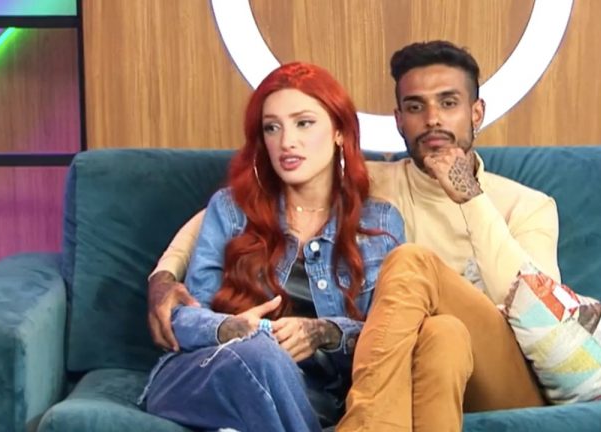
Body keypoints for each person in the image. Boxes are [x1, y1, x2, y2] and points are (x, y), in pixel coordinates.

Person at [148, 41, 561, 431]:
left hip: (504, 369)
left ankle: (367, 423)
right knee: (443, 332)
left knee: (412, 264)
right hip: (428, 356)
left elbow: (539, 316)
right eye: (415, 106)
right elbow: (229, 212)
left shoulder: (528, 205)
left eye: (448, 103)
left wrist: (470, 198)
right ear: (398, 119)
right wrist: (163, 276)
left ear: (477, 112)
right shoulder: (372, 183)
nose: (433, 119)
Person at [141, 62, 405, 432]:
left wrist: (323, 332)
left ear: (339, 131)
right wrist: (232, 329)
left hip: (313, 393)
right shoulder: (230, 210)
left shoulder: (379, 221)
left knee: (270, 367)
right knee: (259, 353)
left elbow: (387, 335)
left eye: (304, 123)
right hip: (212, 373)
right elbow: (183, 318)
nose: (286, 141)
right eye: (272, 127)